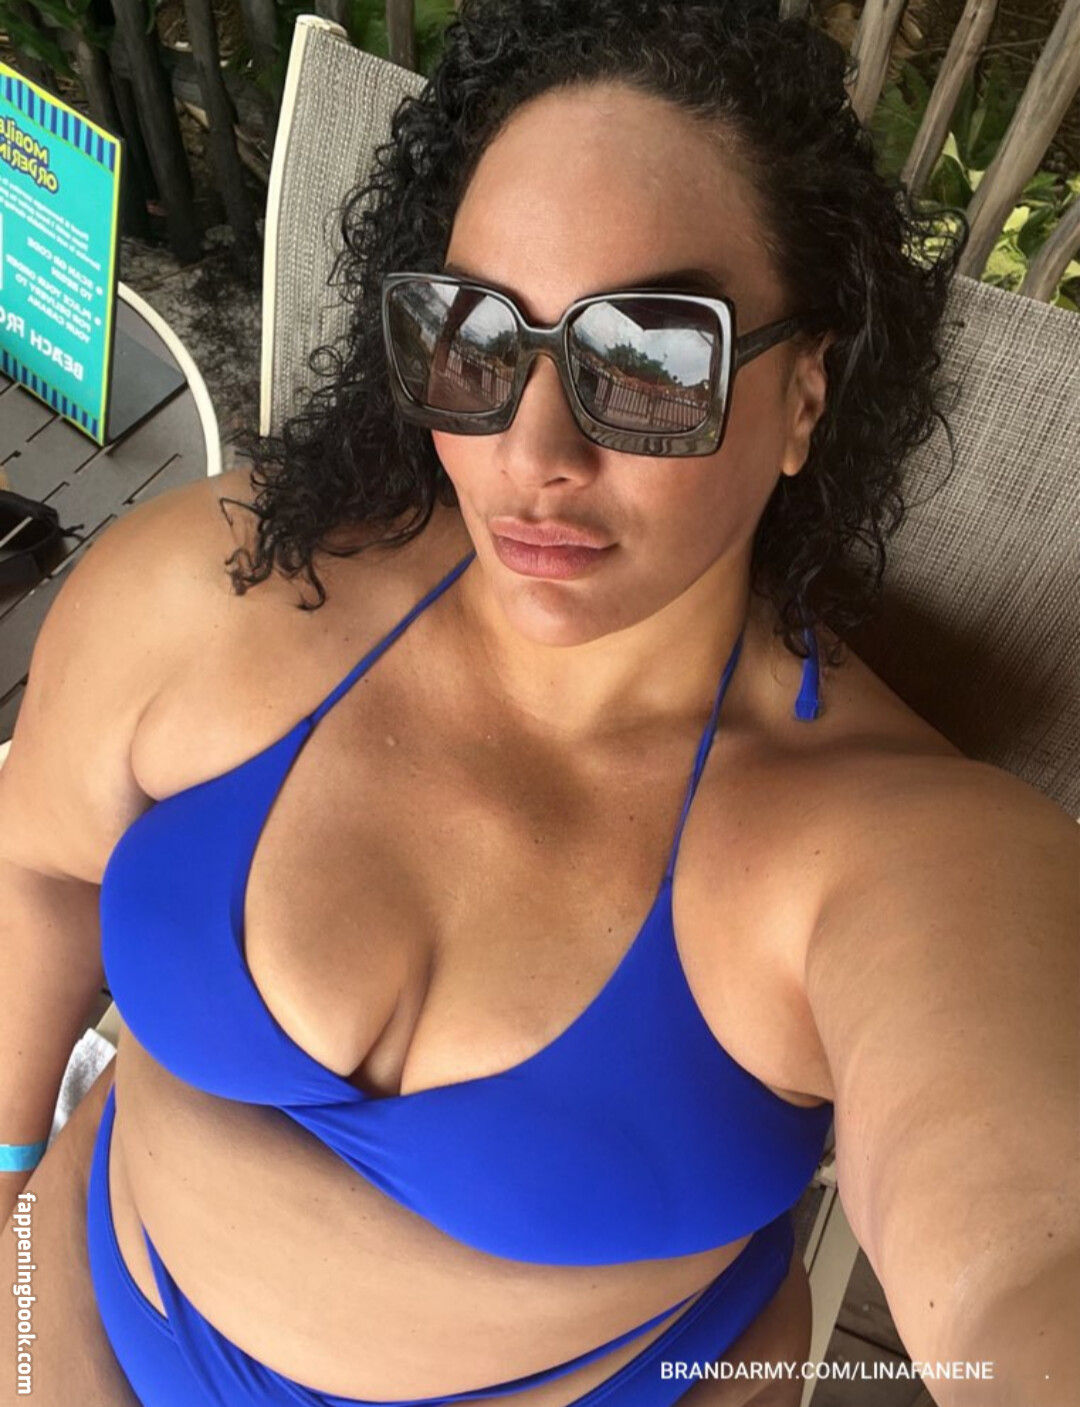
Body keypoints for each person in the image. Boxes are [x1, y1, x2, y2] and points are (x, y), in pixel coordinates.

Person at [1, 2, 1076, 1405]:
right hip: (72, 1314)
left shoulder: (890, 844)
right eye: (475, 335)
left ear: (805, 398)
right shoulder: (226, 584)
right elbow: (38, 872)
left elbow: (1026, 1261)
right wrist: (8, 1190)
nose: (534, 447)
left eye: (651, 360)